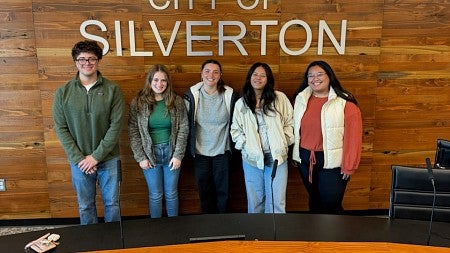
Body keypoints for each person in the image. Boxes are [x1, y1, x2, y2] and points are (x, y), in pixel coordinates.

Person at [52, 40, 125, 225]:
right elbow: (61, 128)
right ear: (75, 62)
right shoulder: (63, 93)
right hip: (79, 162)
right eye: (82, 59)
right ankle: (91, 245)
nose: (87, 63)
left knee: (113, 205)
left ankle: (113, 243)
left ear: (98, 60)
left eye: (92, 58)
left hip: (109, 159)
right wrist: (80, 159)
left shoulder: (113, 90)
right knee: (85, 206)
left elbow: (115, 126)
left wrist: (96, 157)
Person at [292, 60, 362, 214]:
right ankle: (315, 236)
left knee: (331, 205)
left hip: (332, 162)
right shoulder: (301, 99)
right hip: (305, 160)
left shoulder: (345, 103)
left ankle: (334, 237)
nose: (314, 78)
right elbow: (295, 128)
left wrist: (349, 165)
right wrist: (296, 154)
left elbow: (354, 138)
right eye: (310, 75)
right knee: (314, 201)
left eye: (319, 74)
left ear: (329, 76)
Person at [230, 62, 294, 213]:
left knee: (277, 202)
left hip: (277, 158)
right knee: (255, 202)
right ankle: (256, 235)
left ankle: (274, 236)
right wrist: (245, 146)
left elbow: (290, 123)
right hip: (252, 159)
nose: (258, 78)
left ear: (268, 79)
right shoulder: (242, 103)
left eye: (262, 75)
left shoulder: (280, 98)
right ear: (249, 78)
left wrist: (284, 141)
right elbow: (235, 130)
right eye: (255, 75)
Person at [128, 64, 188, 218]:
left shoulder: (176, 101)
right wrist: (141, 157)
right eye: (156, 80)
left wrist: (178, 155)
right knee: (155, 195)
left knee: (171, 193)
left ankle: (173, 229)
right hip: (149, 154)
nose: (159, 84)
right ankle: (157, 231)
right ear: (150, 80)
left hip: (171, 153)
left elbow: (183, 127)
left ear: (168, 83)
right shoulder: (139, 102)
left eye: (163, 80)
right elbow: (133, 131)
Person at [184, 59, 239, 214]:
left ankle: (223, 226)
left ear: (220, 75)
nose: (211, 75)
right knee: (205, 193)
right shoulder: (192, 96)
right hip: (200, 153)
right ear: (201, 74)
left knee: (224, 193)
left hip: (223, 153)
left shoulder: (229, 95)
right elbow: (186, 125)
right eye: (207, 71)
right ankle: (207, 226)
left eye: (216, 72)